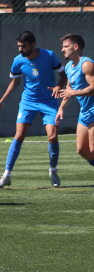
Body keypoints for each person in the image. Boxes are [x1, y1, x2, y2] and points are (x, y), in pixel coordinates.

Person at [0, 31, 68, 188]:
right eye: (19, 46)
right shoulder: (18, 61)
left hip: (49, 102)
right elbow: (15, 82)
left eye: (23, 46)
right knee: (19, 135)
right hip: (28, 102)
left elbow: (63, 75)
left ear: (33, 45)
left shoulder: (49, 56)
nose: (20, 49)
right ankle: (6, 175)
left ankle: (53, 170)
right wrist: (2, 100)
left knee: (52, 137)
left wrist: (58, 87)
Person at [55, 34, 94, 174]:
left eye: (66, 46)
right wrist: (61, 108)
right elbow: (69, 90)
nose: (62, 49)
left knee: (93, 148)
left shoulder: (87, 64)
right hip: (85, 112)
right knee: (82, 150)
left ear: (75, 47)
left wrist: (73, 93)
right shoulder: (68, 68)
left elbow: (93, 89)